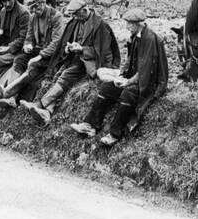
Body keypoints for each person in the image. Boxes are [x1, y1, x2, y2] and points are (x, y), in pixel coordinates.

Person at [69, 8, 168, 146]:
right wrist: (121, 75)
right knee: (107, 88)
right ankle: (90, 125)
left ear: (137, 24)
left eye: (129, 24)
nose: (127, 27)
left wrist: (127, 82)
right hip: (133, 77)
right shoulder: (136, 36)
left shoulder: (149, 39)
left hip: (147, 83)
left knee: (128, 94)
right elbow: (129, 60)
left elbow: (144, 71)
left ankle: (114, 133)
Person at [20, 0, 120, 126]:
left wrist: (82, 49)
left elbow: (103, 51)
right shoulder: (76, 22)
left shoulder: (100, 25)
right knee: (58, 72)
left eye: (76, 14)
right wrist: (68, 49)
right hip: (77, 57)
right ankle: (47, 112)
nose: (75, 18)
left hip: (92, 61)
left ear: (84, 10)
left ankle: (41, 104)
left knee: (66, 75)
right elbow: (65, 41)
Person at [0, 0, 64, 109]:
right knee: (19, 60)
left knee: (33, 65)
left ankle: (8, 91)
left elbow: (56, 43)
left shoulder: (56, 17)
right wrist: (27, 45)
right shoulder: (33, 18)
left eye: (35, 7)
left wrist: (40, 56)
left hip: (51, 55)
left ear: (42, 3)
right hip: (38, 50)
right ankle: (11, 98)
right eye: (31, 8)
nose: (32, 11)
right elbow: (29, 37)